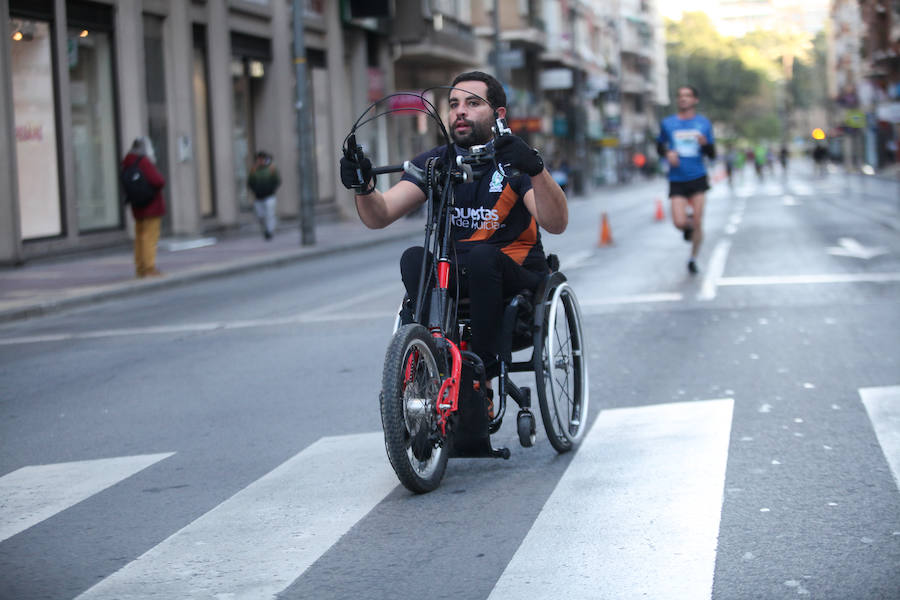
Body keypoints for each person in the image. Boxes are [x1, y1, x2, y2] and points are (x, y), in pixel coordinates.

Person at [339, 70, 567, 382]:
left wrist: (536, 169)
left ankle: (480, 375)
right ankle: (426, 366)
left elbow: (556, 223)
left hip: (515, 275)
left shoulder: (516, 160)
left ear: (498, 114)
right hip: (456, 279)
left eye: (473, 103)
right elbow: (381, 215)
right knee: (413, 258)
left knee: (482, 257)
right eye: (454, 103)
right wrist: (362, 186)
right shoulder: (436, 163)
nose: (460, 110)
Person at [656, 85, 715, 275]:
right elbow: (659, 147)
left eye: (688, 96)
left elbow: (712, 154)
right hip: (677, 178)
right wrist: (667, 153)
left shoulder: (703, 124)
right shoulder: (668, 123)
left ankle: (693, 258)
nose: (683, 99)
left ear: (695, 100)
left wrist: (705, 145)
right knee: (679, 223)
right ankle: (687, 223)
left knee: (698, 222)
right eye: (680, 96)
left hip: (698, 176)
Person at [121, 136, 166, 278]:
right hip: (151, 204)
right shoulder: (144, 161)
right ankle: (149, 268)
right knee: (150, 237)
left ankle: (140, 267)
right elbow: (158, 181)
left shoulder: (127, 162)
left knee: (140, 237)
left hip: (137, 205)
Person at [247, 151, 281, 240]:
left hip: (269, 196)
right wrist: (254, 190)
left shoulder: (271, 168)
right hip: (258, 197)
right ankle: (265, 230)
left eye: (262, 159)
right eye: (259, 159)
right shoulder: (254, 170)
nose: (260, 161)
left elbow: (277, 181)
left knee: (270, 214)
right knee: (260, 216)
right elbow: (250, 182)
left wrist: (271, 189)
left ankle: (270, 231)